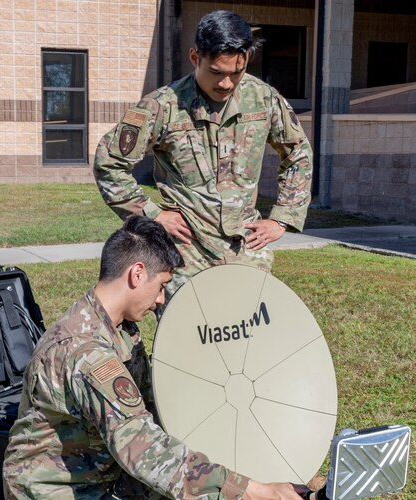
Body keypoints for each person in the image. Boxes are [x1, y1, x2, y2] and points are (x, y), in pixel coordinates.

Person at [0, 215, 331, 500]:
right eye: (161, 285)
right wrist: (254, 493)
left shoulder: (121, 329)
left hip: (102, 469)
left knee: (188, 484)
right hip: (53, 488)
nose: (160, 300)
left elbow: (162, 421)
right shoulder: (85, 354)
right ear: (137, 274)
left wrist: (271, 468)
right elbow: (146, 453)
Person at [93, 10, 313, 296]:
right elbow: (108, 162)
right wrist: (152, 214)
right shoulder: (163, 106)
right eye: (216, 72)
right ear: (195, 57)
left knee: (248, 336)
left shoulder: (264, 99)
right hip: (186, 253)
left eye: (237, 72)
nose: (226, 83)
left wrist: (282, 217)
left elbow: (298, 153)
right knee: (189, 334)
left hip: (245, 250)